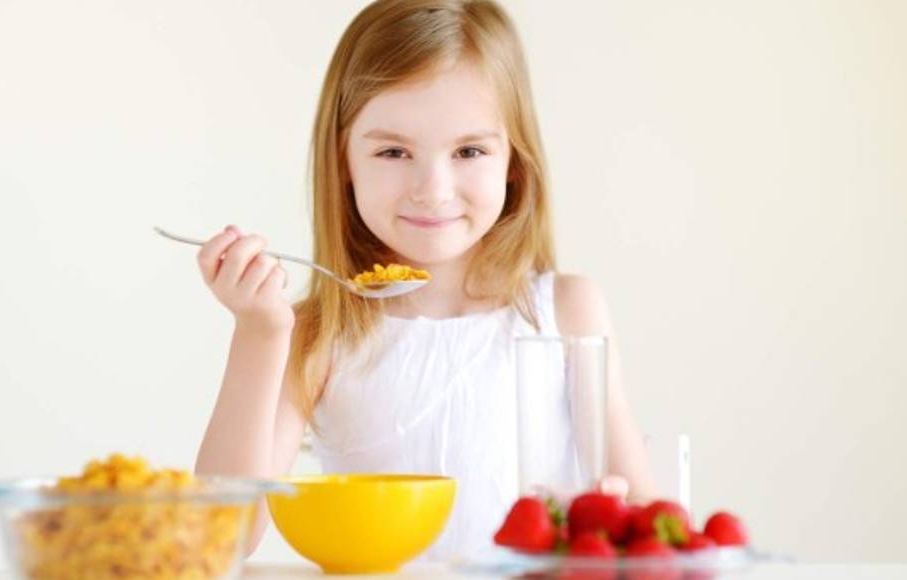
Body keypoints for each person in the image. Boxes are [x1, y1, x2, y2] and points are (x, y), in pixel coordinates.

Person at [194, 0, 657, 560]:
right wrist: (259, 332)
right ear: (343, 160)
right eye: (393, 151)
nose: (433, 189)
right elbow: (220, 539)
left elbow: (646, 526)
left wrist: (609, 516)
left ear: (513, 159)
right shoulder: (313, 332)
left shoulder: (568, 310)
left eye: (469, 151)